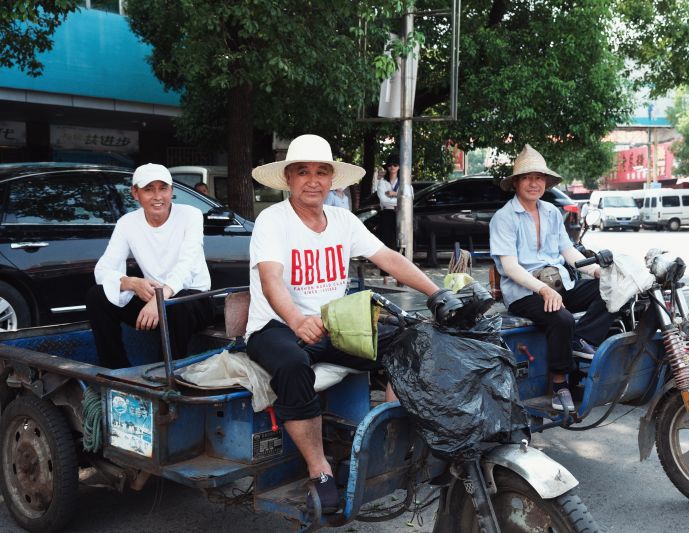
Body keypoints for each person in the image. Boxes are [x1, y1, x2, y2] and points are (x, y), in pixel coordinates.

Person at [248, 134, 453, 514]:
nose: (313, 180)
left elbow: (388, 258)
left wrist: (437, 293)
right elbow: (270, 280)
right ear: (289, 179)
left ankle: (391, 446)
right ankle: (320, 470)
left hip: (334, 325)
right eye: (303, 172)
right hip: (275, 327)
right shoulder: (272, 220)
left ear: (332, 179)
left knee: (412, 342)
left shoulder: (343, 220)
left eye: (321, 172)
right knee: (292, 367)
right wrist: (296, 319)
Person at [489, 145, 614, 412]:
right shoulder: (503, 218)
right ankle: (559, 384)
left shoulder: (551, 212)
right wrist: (543, 290)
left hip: (559, 283)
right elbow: (510, 267)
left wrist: (595, 271)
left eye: (539, 178)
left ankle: (580, 339)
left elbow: (568, 251)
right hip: (524, 292)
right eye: (527, 178)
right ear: (516, 183)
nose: (534, 183)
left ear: (545, 182)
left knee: (612, 288)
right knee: (562, 318)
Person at [87, 163, 214, 369]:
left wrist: (160, 299)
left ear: (171, 191)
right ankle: (117, 371)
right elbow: (102, 270)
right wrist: (131, 283)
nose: (157, 196)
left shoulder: (191, 215)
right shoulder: (127, 222)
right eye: (149, 189)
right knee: (97, 295)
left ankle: (165, 374)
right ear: (135, 193)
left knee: (176, 307)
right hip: (153, 301)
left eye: (163, 188)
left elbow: (187, 266)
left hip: (191, 300)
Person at [376, 155, 401, 284]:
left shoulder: (403, 182)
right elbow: (384, 200)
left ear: (399, 167)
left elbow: (410, 197)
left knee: (401, 243)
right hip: (387, 214)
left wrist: (394, 194)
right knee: (386, 245)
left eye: (395, 165)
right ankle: (385, 276)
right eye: (390, 165)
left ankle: (400, 276)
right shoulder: (382, 182)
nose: (392, 167)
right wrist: (399, 198)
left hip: (402, 214)